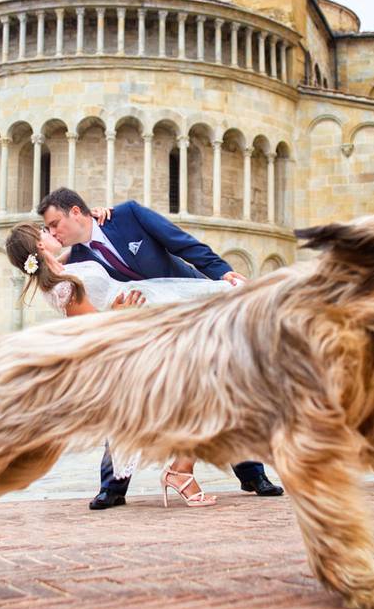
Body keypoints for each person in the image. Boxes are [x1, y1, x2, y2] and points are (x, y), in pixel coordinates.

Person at [38, 187, 285, 509]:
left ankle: (251, 473)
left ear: (75, 211)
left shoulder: (127, 215)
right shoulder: (77, 261)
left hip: (189, 306)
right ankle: (113, 487)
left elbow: (182, 244)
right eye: (48, 228)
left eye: (56, 223)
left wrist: (222, 274)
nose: (53, 231)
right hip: (146, 332)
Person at [6, 221, 221, 508]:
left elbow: (85, 241)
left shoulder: (60, 270)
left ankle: (181, 470)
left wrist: (92, 219)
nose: (52, 232)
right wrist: (120, 313)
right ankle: (180, 470)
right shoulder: (61, 286)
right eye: (45, 231)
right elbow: (93, 328)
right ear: (39, 245)